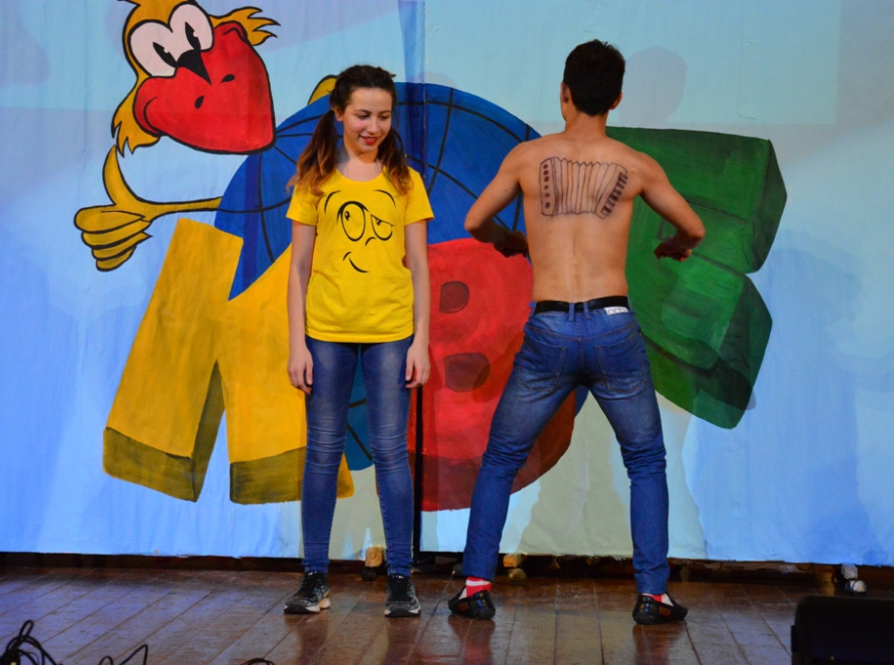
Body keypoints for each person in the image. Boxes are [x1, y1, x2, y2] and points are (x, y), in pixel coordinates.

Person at [447, 40, 705, 625]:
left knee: (501, 457)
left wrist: (511, 241)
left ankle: (476, 586)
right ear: (617, 99)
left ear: (563, 93)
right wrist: (674, 246)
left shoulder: (527, 158)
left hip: (550, 327)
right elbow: (693, 227)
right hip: (613, 328)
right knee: (645, 461)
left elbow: (475, 220)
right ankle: (653, 594)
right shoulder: (635, 164)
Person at [284, 64, 433, 618]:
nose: (374, 127)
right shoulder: (315, 181)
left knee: (391, 453)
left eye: (384, 116)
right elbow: (298, 268)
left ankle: (400, 578)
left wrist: (421, 341)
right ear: (339, 114)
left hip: (391, 333)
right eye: (363, 115)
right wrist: (297, 344)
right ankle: (314, 577)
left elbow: (420, 267)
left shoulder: (405, 182)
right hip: (325, 333)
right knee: (322, 453)